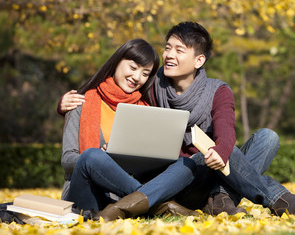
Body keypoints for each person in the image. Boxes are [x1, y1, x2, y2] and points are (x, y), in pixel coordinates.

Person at [59, 22, 295, 218]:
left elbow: (226, 130)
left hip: (207, 169)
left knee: (266, 137)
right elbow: (86, 147)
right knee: (190, 160)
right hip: (170, 178)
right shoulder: (151, 88)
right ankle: (271, 199)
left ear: (199, 60)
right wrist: (63, 107)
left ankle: (221, 199)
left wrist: (221, 149)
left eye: (178, 50)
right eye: (168, 48)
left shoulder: (212, 91)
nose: (169, 55)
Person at [61, 38, 198, 222]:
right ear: (117, 62)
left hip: (122, 198)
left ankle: (142, 202)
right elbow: (67, 159)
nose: (136, 77)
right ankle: (158, 205)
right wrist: (104, 160)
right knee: (92, 156)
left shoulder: (145, 111)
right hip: (87, 195)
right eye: (133, 68)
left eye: (145, 73)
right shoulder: (81, 103)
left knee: (187, 165)